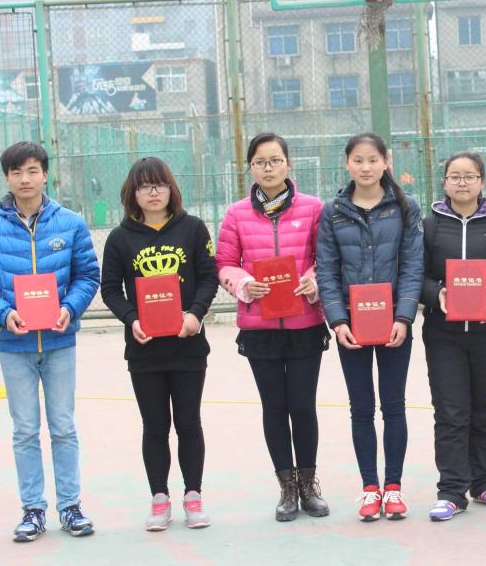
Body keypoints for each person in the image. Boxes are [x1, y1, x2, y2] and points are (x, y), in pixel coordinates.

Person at [0, 141, 100, 542]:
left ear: (45, 175)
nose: (25, 179)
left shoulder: (70, 223)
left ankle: (70, 507)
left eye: (33, 170)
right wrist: (3, 313)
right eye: (17, 172)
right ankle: (33, 510)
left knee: (63, 427)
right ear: (7, 177)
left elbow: (87, 275)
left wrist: (70, 308)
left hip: (59, 342)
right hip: (14, 345)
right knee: (24, 430)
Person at [215, 133, 331, 522]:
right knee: (275, 407)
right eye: (261, 162)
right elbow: (224, 263)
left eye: (275, 160)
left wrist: (313, 281)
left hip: (304, 323)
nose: (269, 168)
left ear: (288, 164)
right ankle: (286, 488)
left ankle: (308, 485)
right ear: (250, 166)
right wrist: (244, 284)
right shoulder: (236, 214)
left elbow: (325, 256)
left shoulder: (313, 208)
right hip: (259, 326)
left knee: (303, 405)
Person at [100, 157, 219, 531]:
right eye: (144, 186)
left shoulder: (193, 229)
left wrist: (195, 314)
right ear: (132, 193)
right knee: (154, 426)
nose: (153, 192)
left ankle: (193, 495)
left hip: (188, 347)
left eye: (160, 184)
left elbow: (209, 277)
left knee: (189, 423)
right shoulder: (120, 238)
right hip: (145, 349)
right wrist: (132, 319)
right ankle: (159, 498)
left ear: (171, 189)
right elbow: (110, 289)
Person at [316, 132, 424, 521]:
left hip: (394, 323)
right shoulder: (333, 211)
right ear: (347, 163)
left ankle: (393, 488)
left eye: (373, 160)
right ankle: (369, 489)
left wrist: (404, 316)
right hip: (351, 327)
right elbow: (326, 270)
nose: (365, 167)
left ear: (385, 161)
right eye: (358, 160)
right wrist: (337, 320)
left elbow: (413, 265)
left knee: (394, 405)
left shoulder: (405, 207)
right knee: (361, 408)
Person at [421, 152, 486, 521]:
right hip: (443, 334)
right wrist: (437, 294)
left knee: (485, 409)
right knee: (450, 411)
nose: (462, 183)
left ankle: (484, 482)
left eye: (469, 176)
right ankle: (451, 490)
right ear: (445, 182)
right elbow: (416, 275)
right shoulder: (430, 226)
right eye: (455, 176)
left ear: (482, 182)